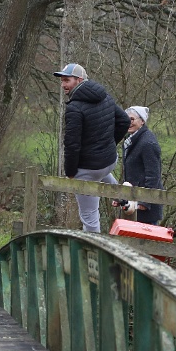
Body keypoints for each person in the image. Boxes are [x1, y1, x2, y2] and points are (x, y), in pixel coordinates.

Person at [54, 63, 130, 233]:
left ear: (79, 80)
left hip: (90, 169)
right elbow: (124, 121)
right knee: (101, 172)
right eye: (62, 81)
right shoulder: (105, 96)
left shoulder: (74, 108)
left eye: (67, 80)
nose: (63, 84)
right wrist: (109, 145)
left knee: (89, 215)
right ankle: (122, 196)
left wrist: (71, 173)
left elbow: (72, 144)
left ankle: (93, 246)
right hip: (109, 161)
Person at [119, 106, 164, 225]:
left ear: (142, 121)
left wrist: (145, 202)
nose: (129, 123)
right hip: (133, 201)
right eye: (127, 119)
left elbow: (153, 175)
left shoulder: (148, 143)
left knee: (146, 236)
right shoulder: (131, 140)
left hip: (146, 208)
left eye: (132, 119)